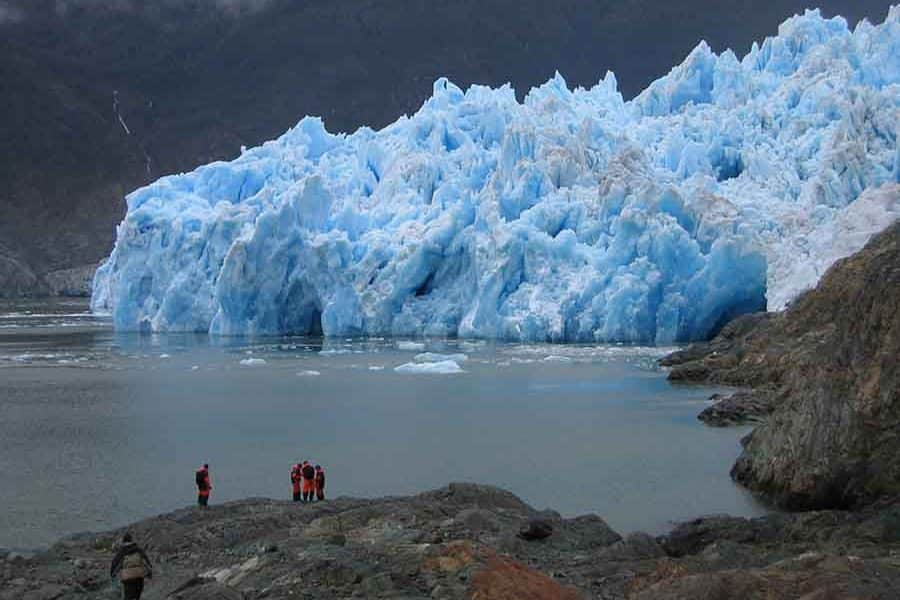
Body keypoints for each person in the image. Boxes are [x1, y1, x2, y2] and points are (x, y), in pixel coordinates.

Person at [110, 532, 152, 600]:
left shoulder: (121, 551)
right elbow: (147, 563)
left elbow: (114, 564)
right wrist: (149, 574)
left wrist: (112, 575)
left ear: (124, 541)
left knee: (128, 597)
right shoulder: (138, 549)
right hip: (139, 578)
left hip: (128, 579)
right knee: (137, 596)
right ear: (131, 540)